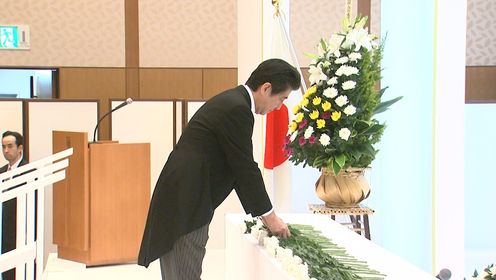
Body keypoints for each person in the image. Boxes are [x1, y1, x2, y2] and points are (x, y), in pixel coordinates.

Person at [138, 58, 301, 280]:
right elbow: (245, 168)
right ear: (266, 88)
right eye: (281, 99)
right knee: (184, 274)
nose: (279, 107)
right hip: (186, 202)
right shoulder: (237, 109)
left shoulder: (234, 101)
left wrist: (264, 215)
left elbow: (238, 169)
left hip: (184, 197)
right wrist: (271, 218)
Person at [1, 131, 27, 280]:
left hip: (19, 237)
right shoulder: (1, 172)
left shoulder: (29, 171)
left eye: (10, 146)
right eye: (3, 147)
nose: (6, 151)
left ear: (20, 148)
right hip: (2, 237)